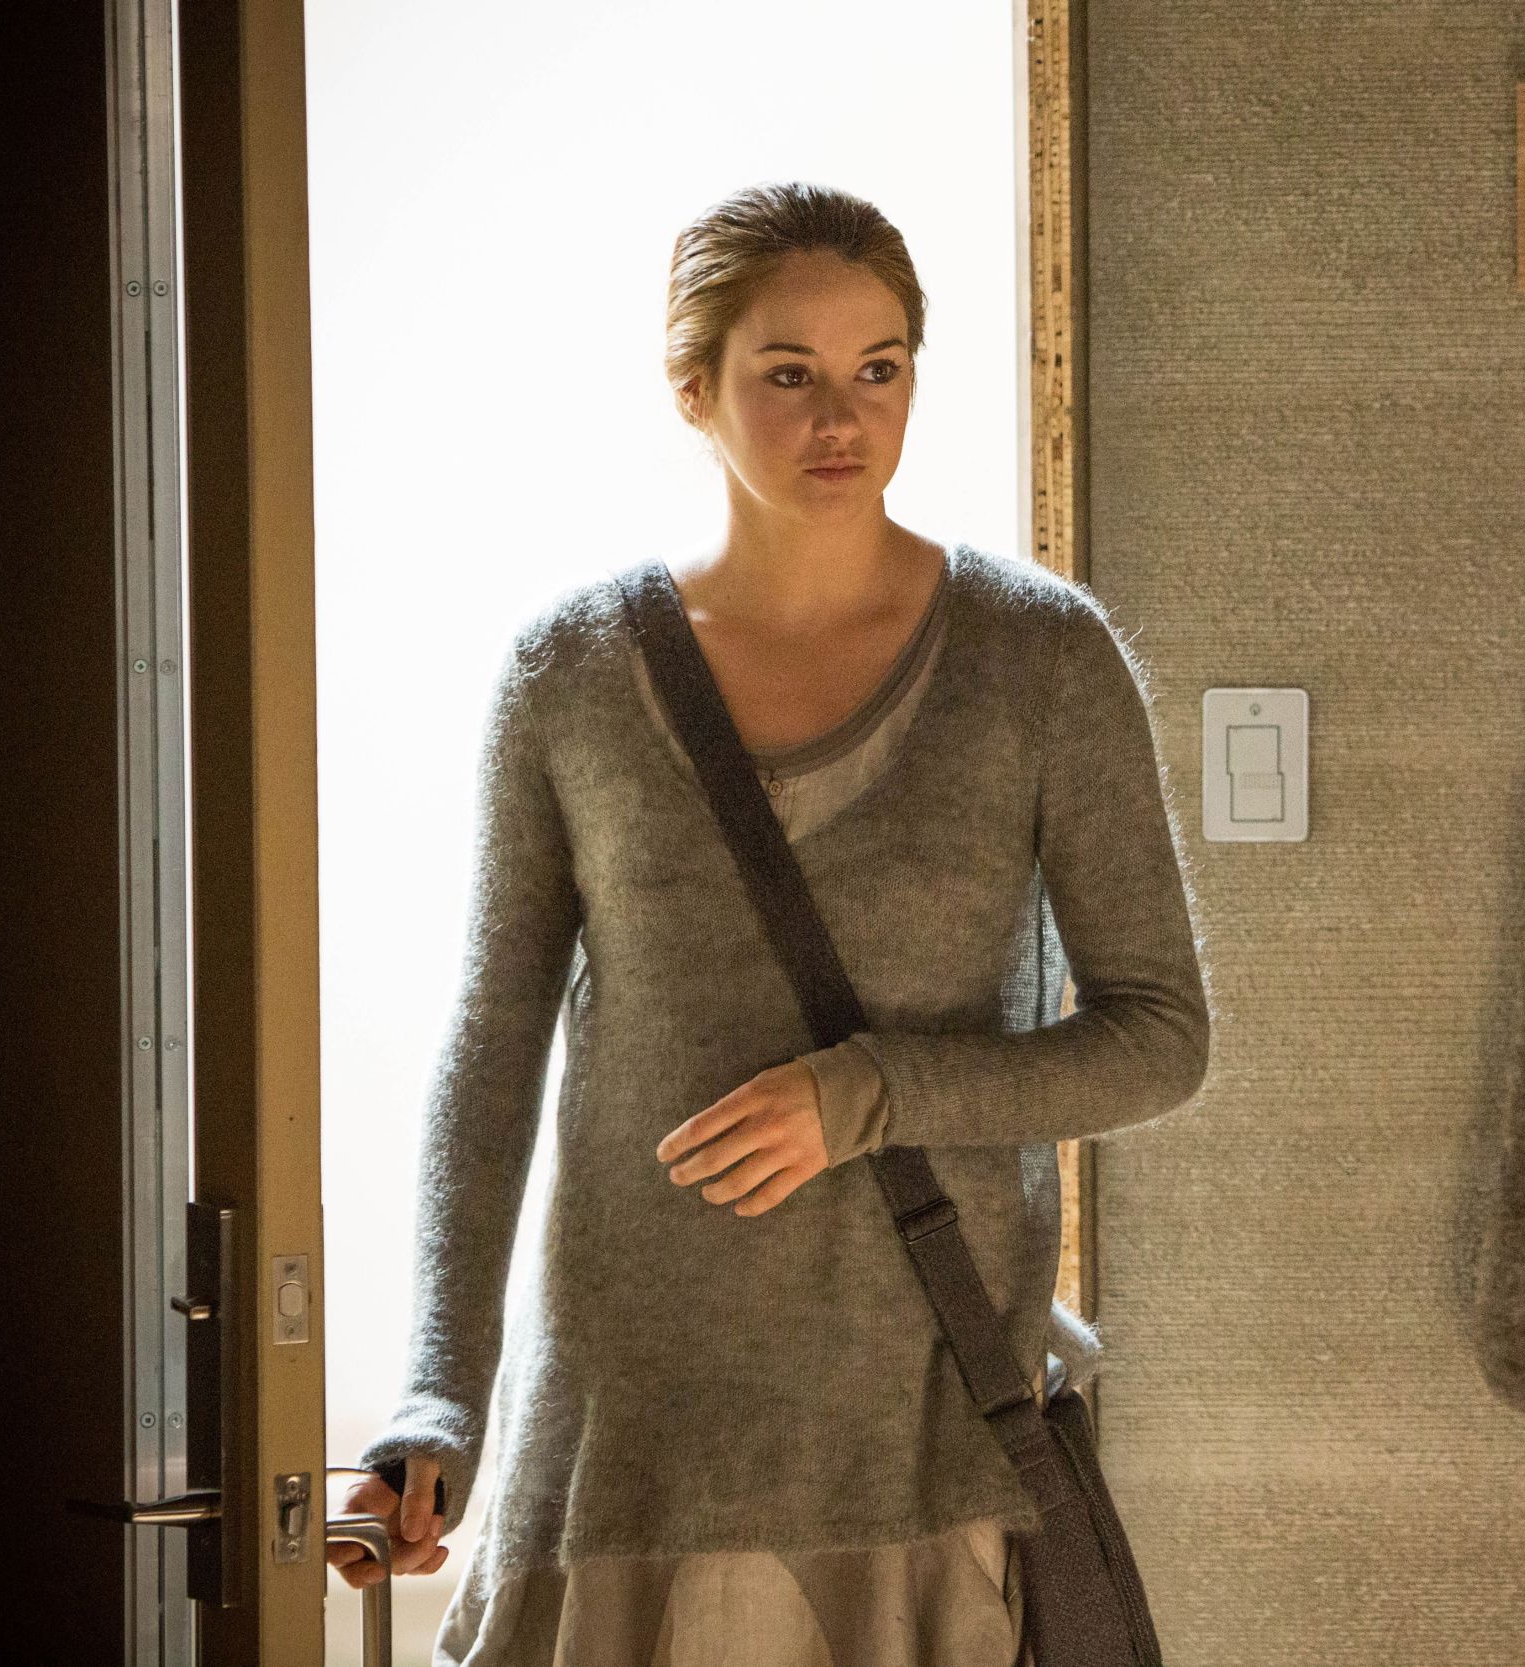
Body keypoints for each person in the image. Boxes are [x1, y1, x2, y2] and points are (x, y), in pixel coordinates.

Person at [329, 181, 1212, 1666]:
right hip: (628, 1431)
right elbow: (493, 1051)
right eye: (788, 374)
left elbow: (1161, 1038)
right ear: (695, 388)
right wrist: (438, 1401)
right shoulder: (571, 674)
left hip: (922, 1433)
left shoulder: (1042, 660)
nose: (842, 418)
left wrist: (867, 1094)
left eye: (881, 368)